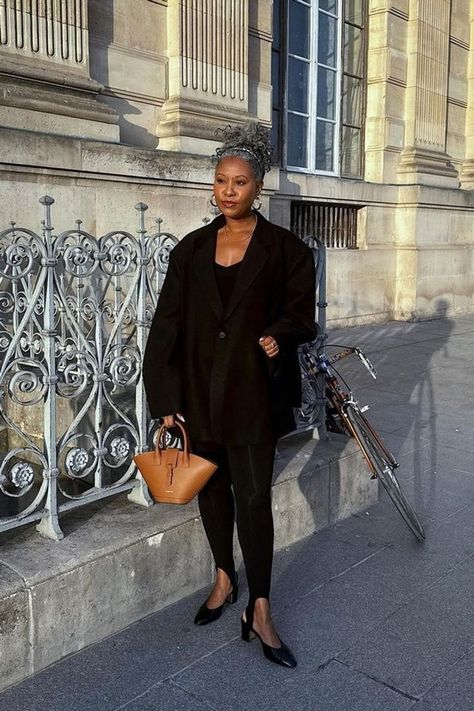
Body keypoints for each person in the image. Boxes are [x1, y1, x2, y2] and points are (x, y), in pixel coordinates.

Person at [142, 122, 317, 668]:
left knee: (254, 498)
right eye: (221, 181)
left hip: (252, 394)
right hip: (197, 394)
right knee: (210, 491)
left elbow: (302, 317)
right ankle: (223, 577)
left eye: (239, 183)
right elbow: (165, 327)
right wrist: (165, 397)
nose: (228, 191)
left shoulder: (286, 249)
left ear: (257, 188)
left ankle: (260, 608)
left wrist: (277, 336)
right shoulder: (190, 250)